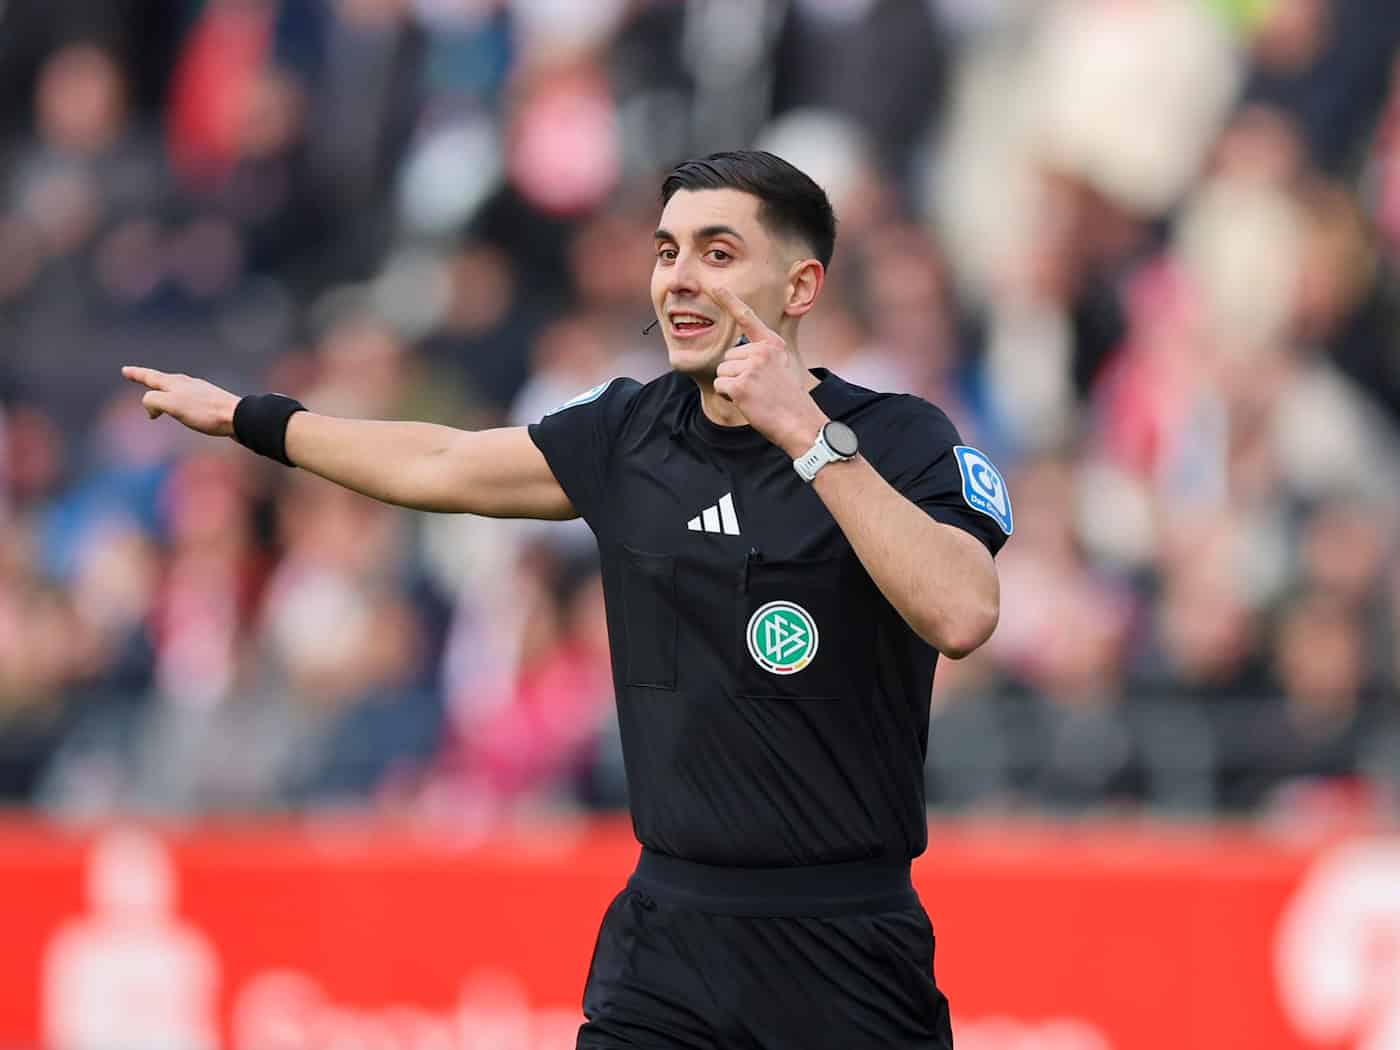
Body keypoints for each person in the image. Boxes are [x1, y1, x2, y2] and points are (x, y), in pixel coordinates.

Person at [123, 150, 1012, 1049]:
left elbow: (963, 614)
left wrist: (807, 437)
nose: (679, 280)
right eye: (666, 253)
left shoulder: (899, 438)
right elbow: (443, 462)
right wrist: (252, 420)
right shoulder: (628, 432)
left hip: (846, 945)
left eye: (717, 252)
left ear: (801, 285)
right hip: (669, 942)